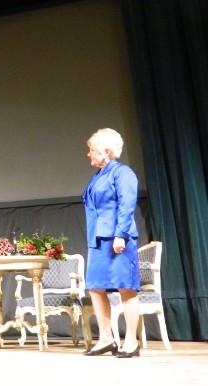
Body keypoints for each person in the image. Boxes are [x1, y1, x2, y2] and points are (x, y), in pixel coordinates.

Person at [82, 128, 140, 358]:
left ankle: (131, 341)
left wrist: (121, 235)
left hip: (117, 237)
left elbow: (127, 204)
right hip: (98, 238)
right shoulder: (99, 175)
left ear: (106, 151)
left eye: (91, 149)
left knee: (126, 287)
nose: (88, 154)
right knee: (95, 287)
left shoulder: (122, 173)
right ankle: (106, 338)